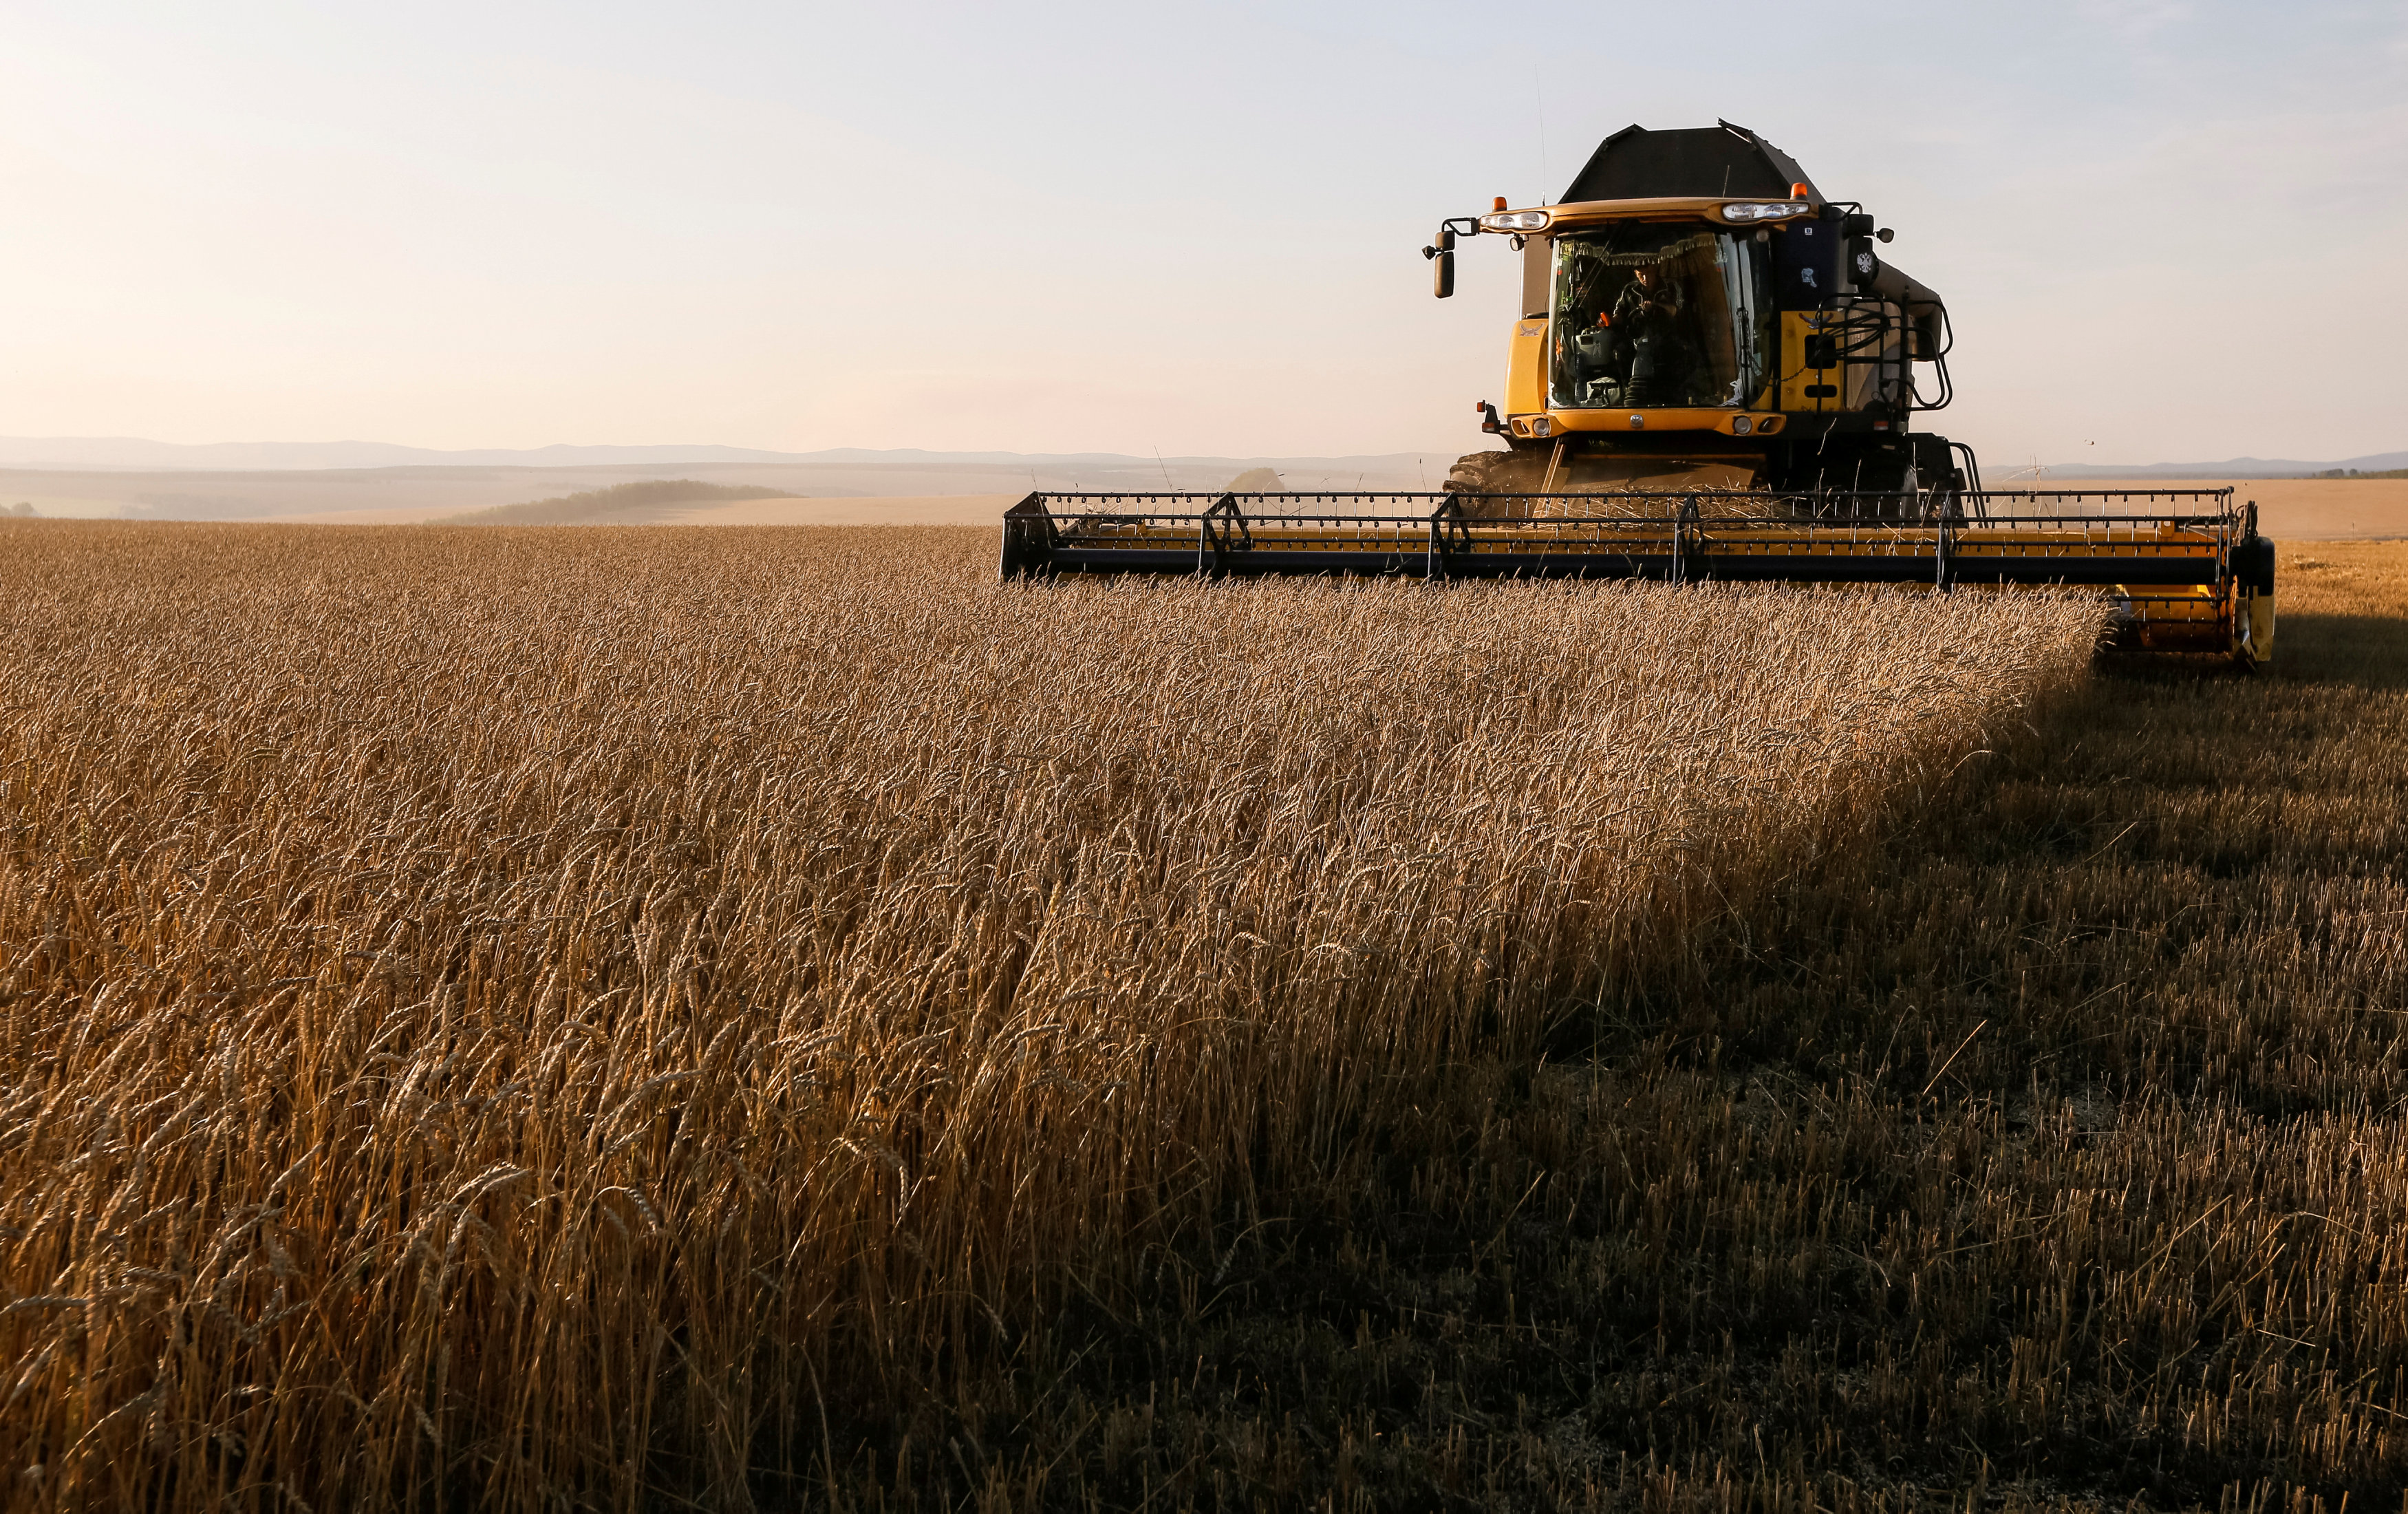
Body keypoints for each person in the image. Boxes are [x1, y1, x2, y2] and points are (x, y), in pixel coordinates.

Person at [1605, 262, 1691, 405]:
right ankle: (1629, 391)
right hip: (1636, 339)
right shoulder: (1629, 290)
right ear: (1635, 274)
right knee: (1620, 352)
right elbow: (1620, 312)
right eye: (1641, 275)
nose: (1645, 278)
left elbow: (1678, 310)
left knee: (1679, 352)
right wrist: (1611, 320)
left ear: (1655, 270)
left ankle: (1674, 396)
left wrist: (1656, 306)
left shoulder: (1670, 287)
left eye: (1649, 274)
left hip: (1665, 336)